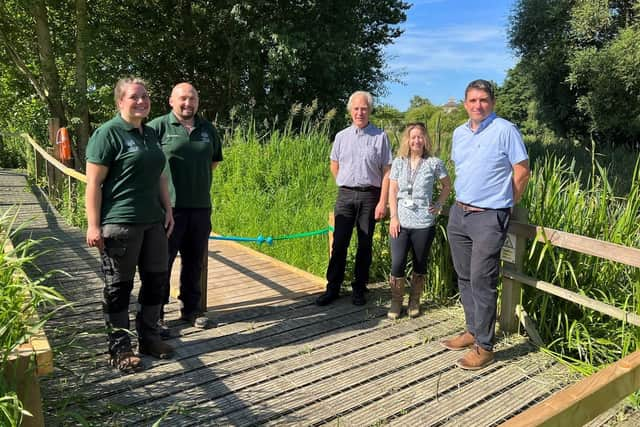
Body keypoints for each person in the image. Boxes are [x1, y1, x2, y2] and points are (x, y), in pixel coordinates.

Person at [85, 77, 175, 372]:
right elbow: (94, 184)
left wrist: (168, 209)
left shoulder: (150, 134)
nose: (141, 101)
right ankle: (120, 349)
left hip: (153, 221)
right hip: (120, 223)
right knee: (118, 287)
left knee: (156, 280)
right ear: (120, 101)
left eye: (145, 97)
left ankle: (149, 337)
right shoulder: (107, 134)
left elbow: (161, 174)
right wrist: (93, 225)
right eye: (134, 97)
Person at [440, 79, 530, 370]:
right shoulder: (459, 133)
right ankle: (472, 330)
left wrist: (505, 204)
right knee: (464, 275)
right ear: (465, 104)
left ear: (492, 103)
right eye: (473, 100)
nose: (478, 105)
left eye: (483, 100)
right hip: (460, 213)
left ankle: (485, 346)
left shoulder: (505, 130)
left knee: (483, 279)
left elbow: (522, 170)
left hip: (489, 216)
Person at [148, 83, 223, 331]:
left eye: (192, 99)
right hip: (168, 209)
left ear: (197, 102)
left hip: (200, 207)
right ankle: (154, 315)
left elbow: (213, 163)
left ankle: (191, 310)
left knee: (194, 262)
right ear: (171, 101)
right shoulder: (157, 127)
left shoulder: (208, 129)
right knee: (161, 262)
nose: (187, 104)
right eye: (182, 99)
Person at [316, 90, 393, 306]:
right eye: (356, 108)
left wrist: (382, 201)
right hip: (346, 195)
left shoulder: (380, 137)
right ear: (350, 111)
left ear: (370, 111)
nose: (360, 112)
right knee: (339, 243)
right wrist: (344, 180)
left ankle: (360, 288)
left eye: (364, 109)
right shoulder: (341, 137)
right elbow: (334, 164)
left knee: (365, 244)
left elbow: (387, 171)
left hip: (370, 196)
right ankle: (333, 288)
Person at [387, 123, 451, 320]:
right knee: (397, 263)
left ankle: (414, 300)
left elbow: (447, 185)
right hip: (401, 223)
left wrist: (439, 204)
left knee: (420, 263)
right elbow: (392, 190)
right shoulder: (399, 162)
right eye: (413, 137)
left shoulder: (434, 163)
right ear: (407, 139)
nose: (416, 141)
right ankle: (396, 301)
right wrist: (394, 217)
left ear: (425, 139)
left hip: (423, 223)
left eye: (420, 137)